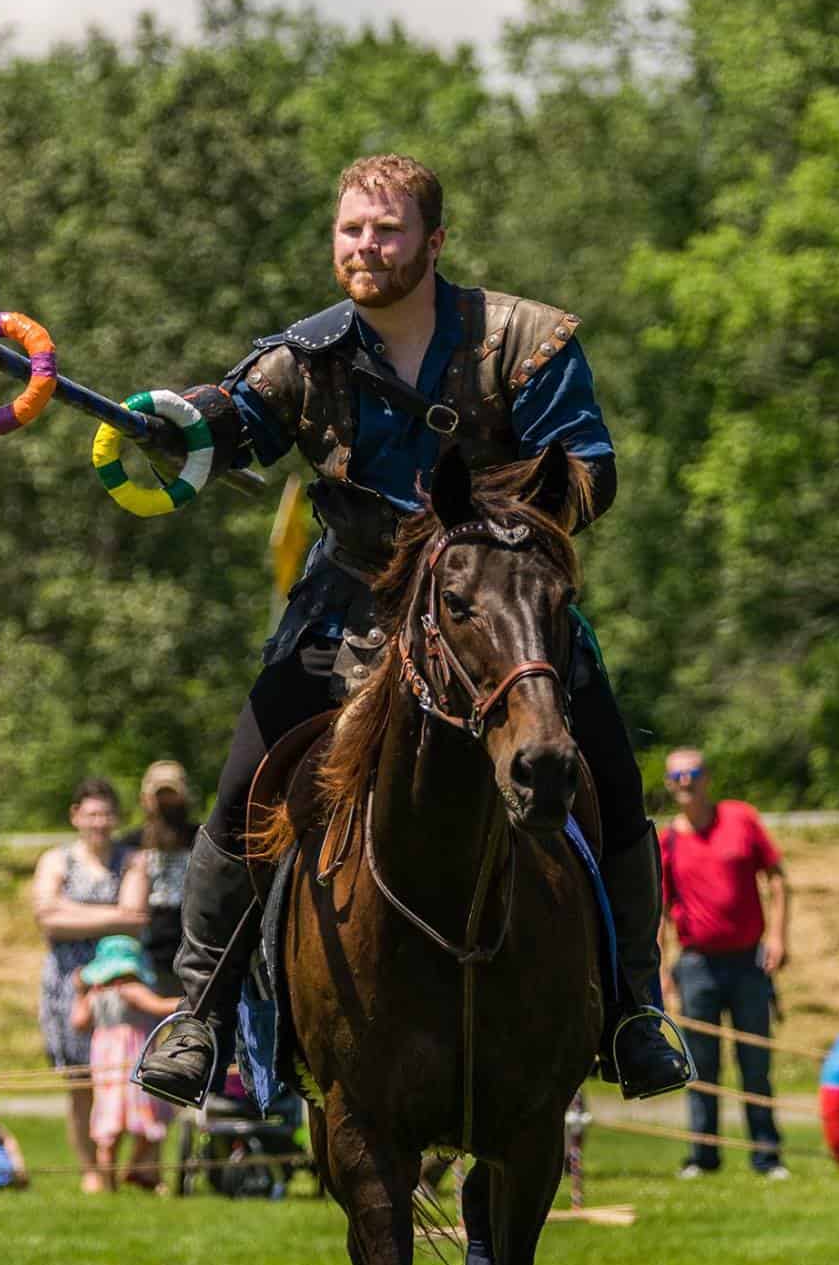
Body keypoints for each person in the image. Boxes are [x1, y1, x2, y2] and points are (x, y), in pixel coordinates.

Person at [138, 153, 688, 1107]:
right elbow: (236, 425)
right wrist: (179, 424)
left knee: (607, 770)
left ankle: (634, 1008)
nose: (366, 246)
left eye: (387, 230)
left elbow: (590, 467)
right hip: (346, 610)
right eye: (352, 229)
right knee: (241, 787)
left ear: (433, 242)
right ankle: (201, 1013)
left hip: (501, 607)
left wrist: (494, 528)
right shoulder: (305, 355)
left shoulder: (528, 341)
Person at [657, 748, 790, 1178]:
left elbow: (777, 879)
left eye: (692, 773)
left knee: (755, 1064)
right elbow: (659, 911)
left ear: (707, 777)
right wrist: (661, 967)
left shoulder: (741, 818)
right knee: (700, 1067)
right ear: (667, 784)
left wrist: (778, 936)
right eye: (676, 776)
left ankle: (766, 1157)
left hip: (749, 963)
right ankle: (703, 1156)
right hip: (696, 967)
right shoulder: (668, 841)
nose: (685, 782)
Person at [30, 776, 147, 1194]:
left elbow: (135, 917)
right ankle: (91, 1172)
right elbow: (46, 919)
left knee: (123, 1075)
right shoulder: (55, 860)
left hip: (120, 986)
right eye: (91, 813)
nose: (99, 822)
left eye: (106, 813)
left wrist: (70, 913)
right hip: (67, 985)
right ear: (75, 816)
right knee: (80, 1082)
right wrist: (109, 913)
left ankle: (128, 1166)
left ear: (116, 818)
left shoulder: (132, 860)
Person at [71, 935, 181, 1191]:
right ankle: (137, 1169)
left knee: (109, 1126)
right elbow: (157, 1006)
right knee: (150, 1118)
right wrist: (190, 1002)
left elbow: (78, 1023)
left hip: (105, 1067)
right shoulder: (130, 988)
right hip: (132, 1064)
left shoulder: (96, 993)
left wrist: (80, 993)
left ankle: (109, 1182)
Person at [134, 761, 197, 993]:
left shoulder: (204, 839)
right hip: (144, 957)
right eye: (160, 796)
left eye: (172, 796)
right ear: (145, 799)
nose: (166, 804)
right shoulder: (130, 844)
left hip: (195, 957)